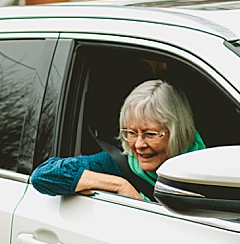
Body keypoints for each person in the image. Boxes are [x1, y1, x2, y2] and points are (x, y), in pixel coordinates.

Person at [31, 79, 205, 200]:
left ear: (177, 131)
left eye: (150, 134)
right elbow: (43, 176)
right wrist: (119, 185)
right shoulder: (118, 163)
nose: (138, 145)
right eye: (131, 133)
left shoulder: (207, 165)